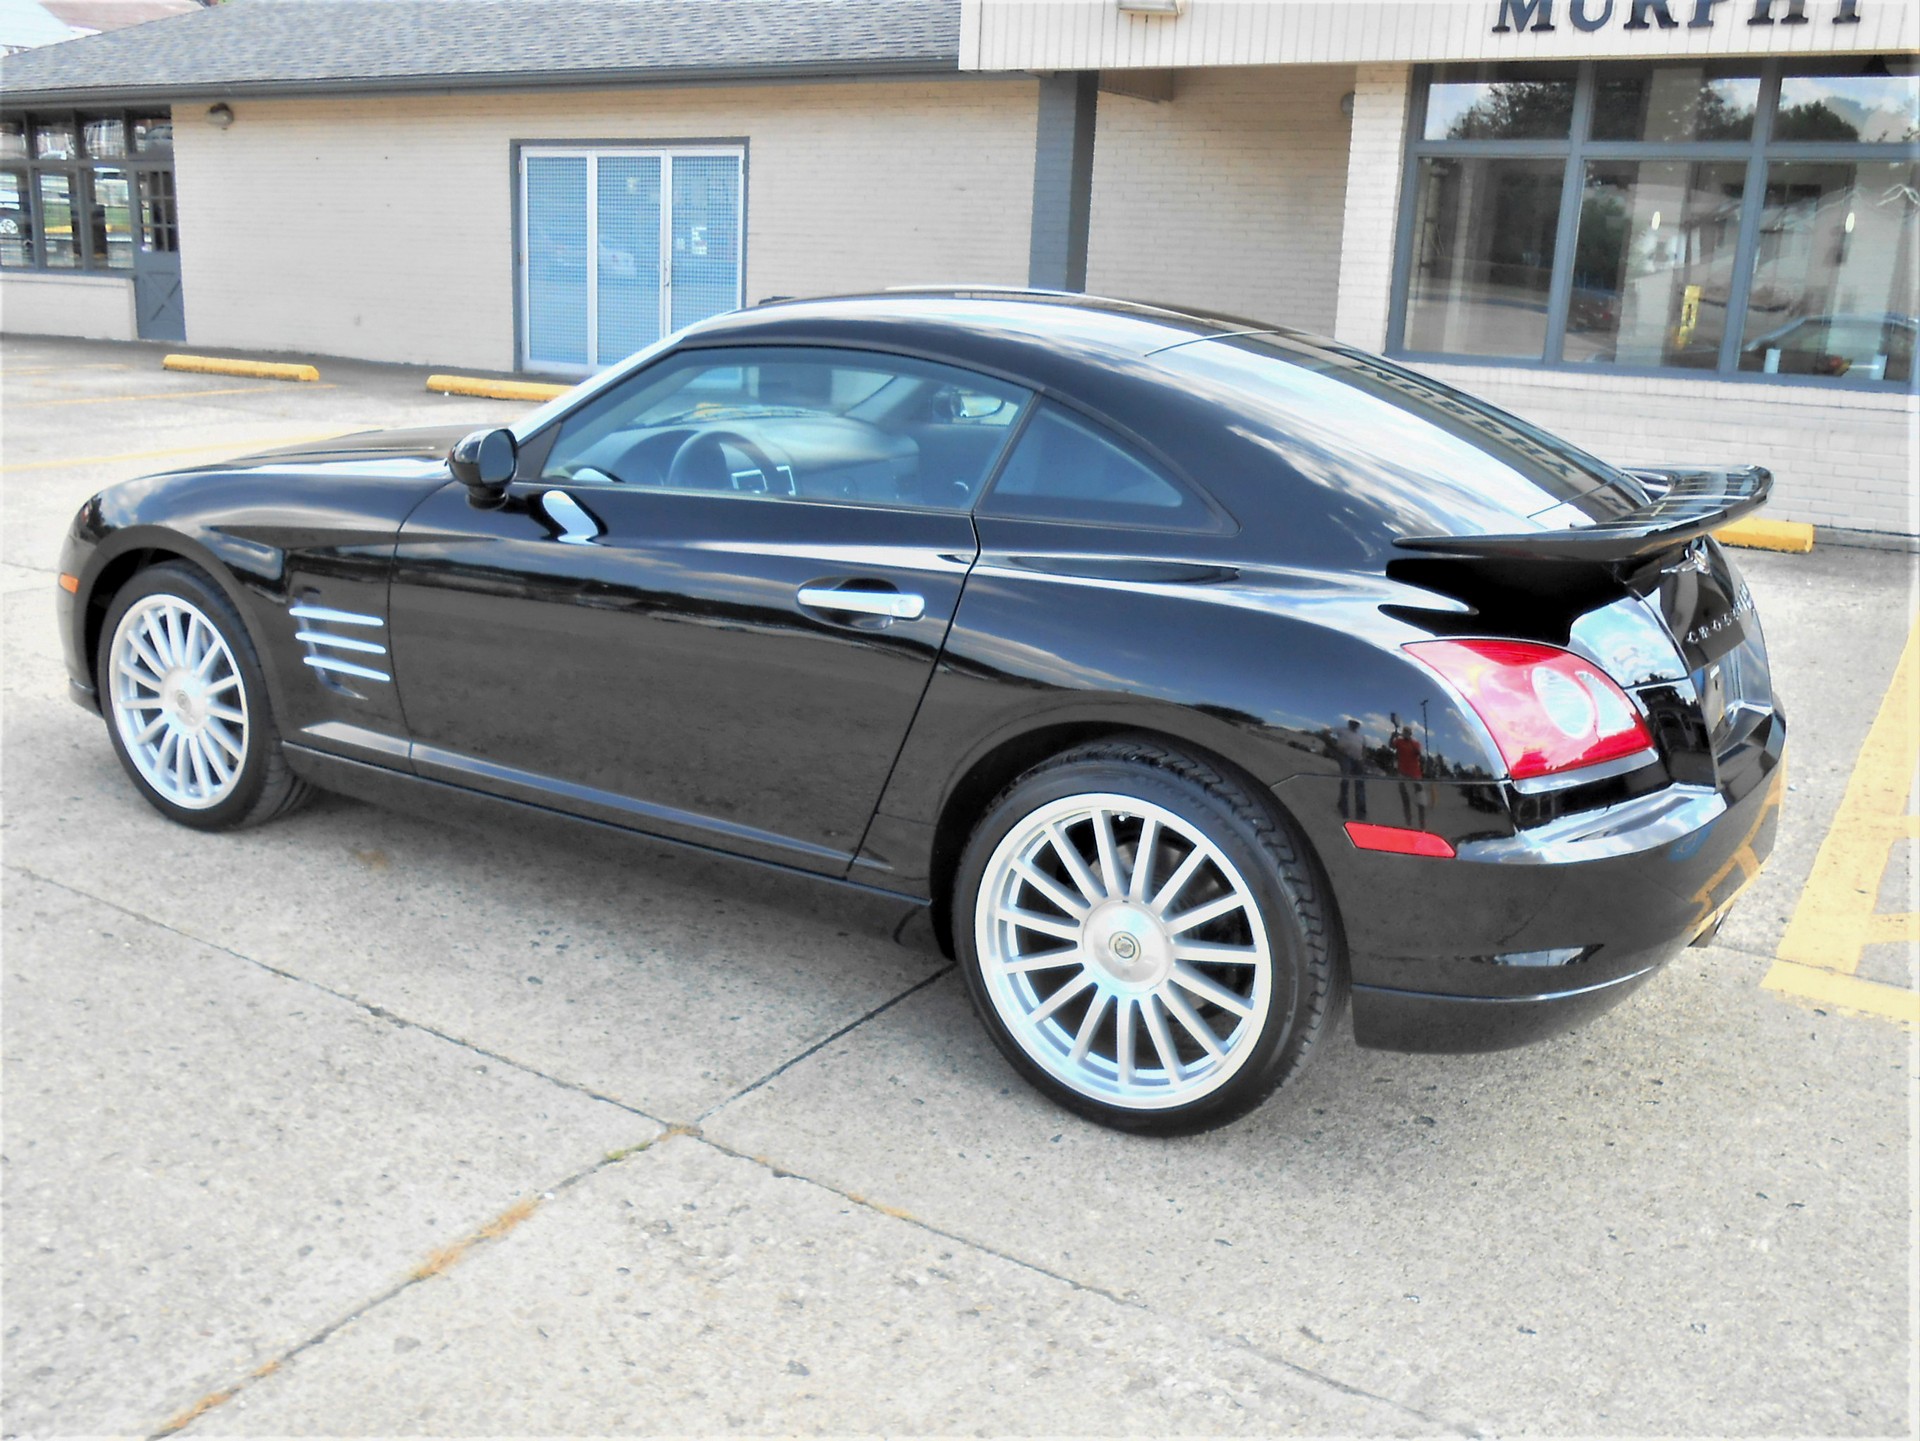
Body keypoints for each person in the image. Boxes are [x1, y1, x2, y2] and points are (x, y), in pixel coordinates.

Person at [1391, 725, 1426, 829]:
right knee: (1405, 799)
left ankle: (1422, 824)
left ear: (1410, 734)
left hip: (1415, 774)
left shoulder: (1415, 743)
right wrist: (1392, 736)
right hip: (1402, 774)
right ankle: (1408, 822)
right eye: (1404, 731)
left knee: (1420, 800)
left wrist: (1410, 741)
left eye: (1408, 732)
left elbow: (1418, 753)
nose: (1405, 733)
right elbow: (1391, 746)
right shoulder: (1399, 742)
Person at [1334, 717, 1368, 821]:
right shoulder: (1342, 730)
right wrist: (1334, 747)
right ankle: (1344, 808)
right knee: (1345, 781)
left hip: (1358, 759)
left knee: (1360, 785)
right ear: (1349, 724)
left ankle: (1361, 812)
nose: (1354, 725)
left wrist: (1363, 758)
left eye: (1356, 724)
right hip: (1345, 757)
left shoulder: (1361, 736)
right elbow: (1325, 732)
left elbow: (1365, 748)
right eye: (1353, 723)